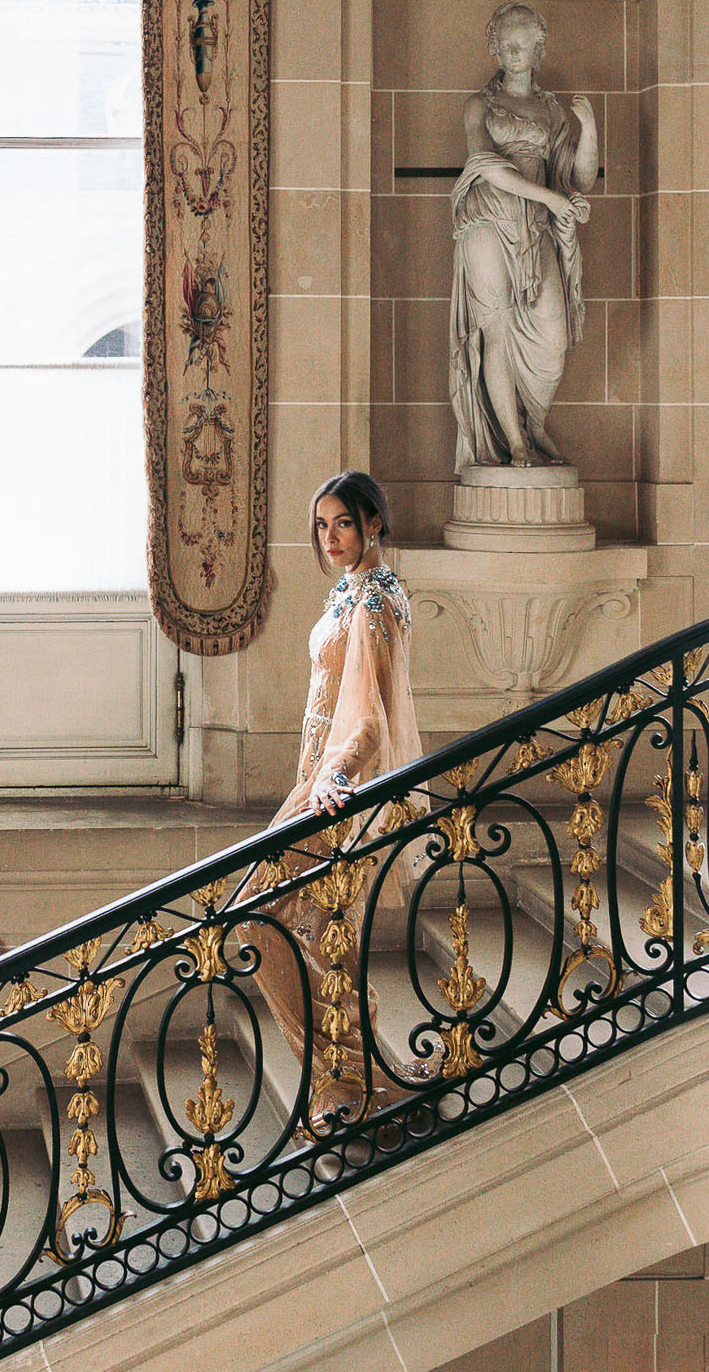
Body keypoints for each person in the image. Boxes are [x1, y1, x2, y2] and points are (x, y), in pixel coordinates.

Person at [238, 471, 426, 1131]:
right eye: (322, 525)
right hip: (319, 779)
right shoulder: (356, 591)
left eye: (342, 522)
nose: (331, 537)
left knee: (269, 922)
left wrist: (334, 776)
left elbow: (371, 717)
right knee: (314, 931)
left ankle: (349, 1074)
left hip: (338, 788)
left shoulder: (374, 600)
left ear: (374, 522)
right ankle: (352, 1073)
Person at [450, 1, 598, 469]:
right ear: (495, 47)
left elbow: (580, 177)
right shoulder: (480, 105)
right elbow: (484, 164)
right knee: (495, 328)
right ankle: (514, 443)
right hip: (487, 219)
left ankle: (534, 423)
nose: (515, 53)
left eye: (524, 45)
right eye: (506, 45)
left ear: (538, 47)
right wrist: (551, 199)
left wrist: (589, 127)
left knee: (553, 335)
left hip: (535, 224)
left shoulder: (552, 111)